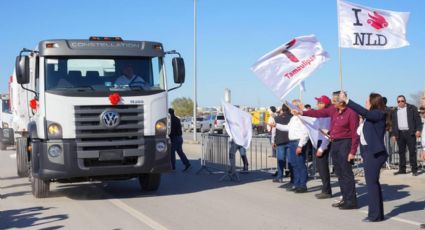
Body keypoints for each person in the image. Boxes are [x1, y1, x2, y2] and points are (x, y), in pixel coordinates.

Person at [296, 91, 359, 209]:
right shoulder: (333, 110)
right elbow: (318, 113)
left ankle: (351, 201)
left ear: (342, 101)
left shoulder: (351, 113)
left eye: (334, 101)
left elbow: (355, 134)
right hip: (335, 142)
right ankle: (345, 198)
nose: (332, 103)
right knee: (339, 173)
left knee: (346, 173)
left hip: (345, 143)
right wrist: (302, 112)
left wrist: (352, 151)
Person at [340, 92, 388, 222]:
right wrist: (363, 153)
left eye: (367, 101)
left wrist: (347, 100)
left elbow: (365, 112)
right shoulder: (369, 117)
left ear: (373, 102)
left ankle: (374, 215)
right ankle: (377, 214)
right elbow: (363, 136)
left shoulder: (378, 114)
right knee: (373, 184)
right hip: (369, 153)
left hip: (375, 154)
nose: (365, 102)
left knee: (372, 185)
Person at [273, 99, 309, 193]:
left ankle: (302, 185)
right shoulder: (293, 118)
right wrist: (276, 125)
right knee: (294, 164)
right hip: (292, 142)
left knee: (300, 164)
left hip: (298, 142)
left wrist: (300, 145)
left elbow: (305, 133)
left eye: (292, 107)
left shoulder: (302, 117)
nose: (290, 109)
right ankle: (296, 184)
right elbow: (287, 128)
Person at [391, 95, 422, 176]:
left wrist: (418, 130)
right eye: (399, 101)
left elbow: (418, 120)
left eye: (402, 101)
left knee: (412, 152)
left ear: (405, 101)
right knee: (401, 152)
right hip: (400, 134)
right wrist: (394, 134)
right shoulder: (394, 111)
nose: (400, 102)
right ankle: (402, 169)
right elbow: (393, 124)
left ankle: (414, 170)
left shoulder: (412, 108)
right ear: (397, 102)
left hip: (410, 133)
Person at [312, 95, 332, 199]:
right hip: (319, 141)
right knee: (320, 167)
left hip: (323, 143)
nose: (317, 104)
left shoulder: (327, 116)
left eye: (320, 102)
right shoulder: (321, 115)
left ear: (325, 104)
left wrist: (322, 148)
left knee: (323, 167)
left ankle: (327, 191)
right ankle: (325, 189)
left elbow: (327, 134)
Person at [272, 105, 293, 183]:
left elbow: (274, 131)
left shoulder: (277, 118)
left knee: (280, 160)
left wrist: (273, 141)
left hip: (280, 141)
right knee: (290, 160)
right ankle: (292, 177)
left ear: (282, 109)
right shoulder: (292, 118)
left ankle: (280, 177)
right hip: (290, 140)